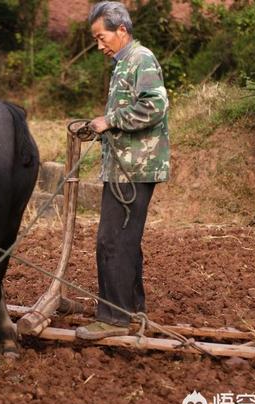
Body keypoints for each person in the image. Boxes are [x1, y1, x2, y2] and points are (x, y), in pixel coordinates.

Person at [76, 1, 170, 339]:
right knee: (125, 239)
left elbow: (155, 106)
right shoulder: (124, 63)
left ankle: (113, 318)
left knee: (111, 240)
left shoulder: (140, 59)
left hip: (134, 168)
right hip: (125, 166)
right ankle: (132, 308)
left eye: (102, 38)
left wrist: (109, 120)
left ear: (122, 30)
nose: (100, 46)